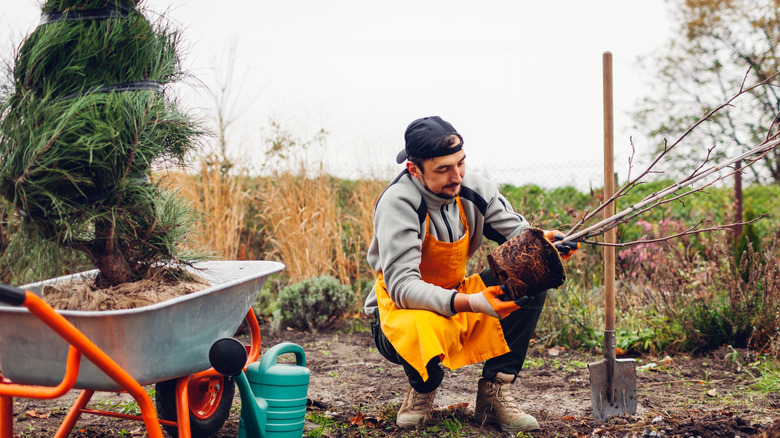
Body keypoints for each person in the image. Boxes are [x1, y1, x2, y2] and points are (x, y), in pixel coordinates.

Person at [364, 116, 579, 433]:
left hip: (459, 296)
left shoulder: (473, 188)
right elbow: (403, 288)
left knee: (532, 277)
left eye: (460, 163)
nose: (456, 177)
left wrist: (545, 244)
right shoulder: (399, 203)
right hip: (399, 314)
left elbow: (519, 237)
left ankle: (495, 392)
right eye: (443, 169)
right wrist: (474, 302)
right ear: (414, 170)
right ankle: (423, 389)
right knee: (418, 323)